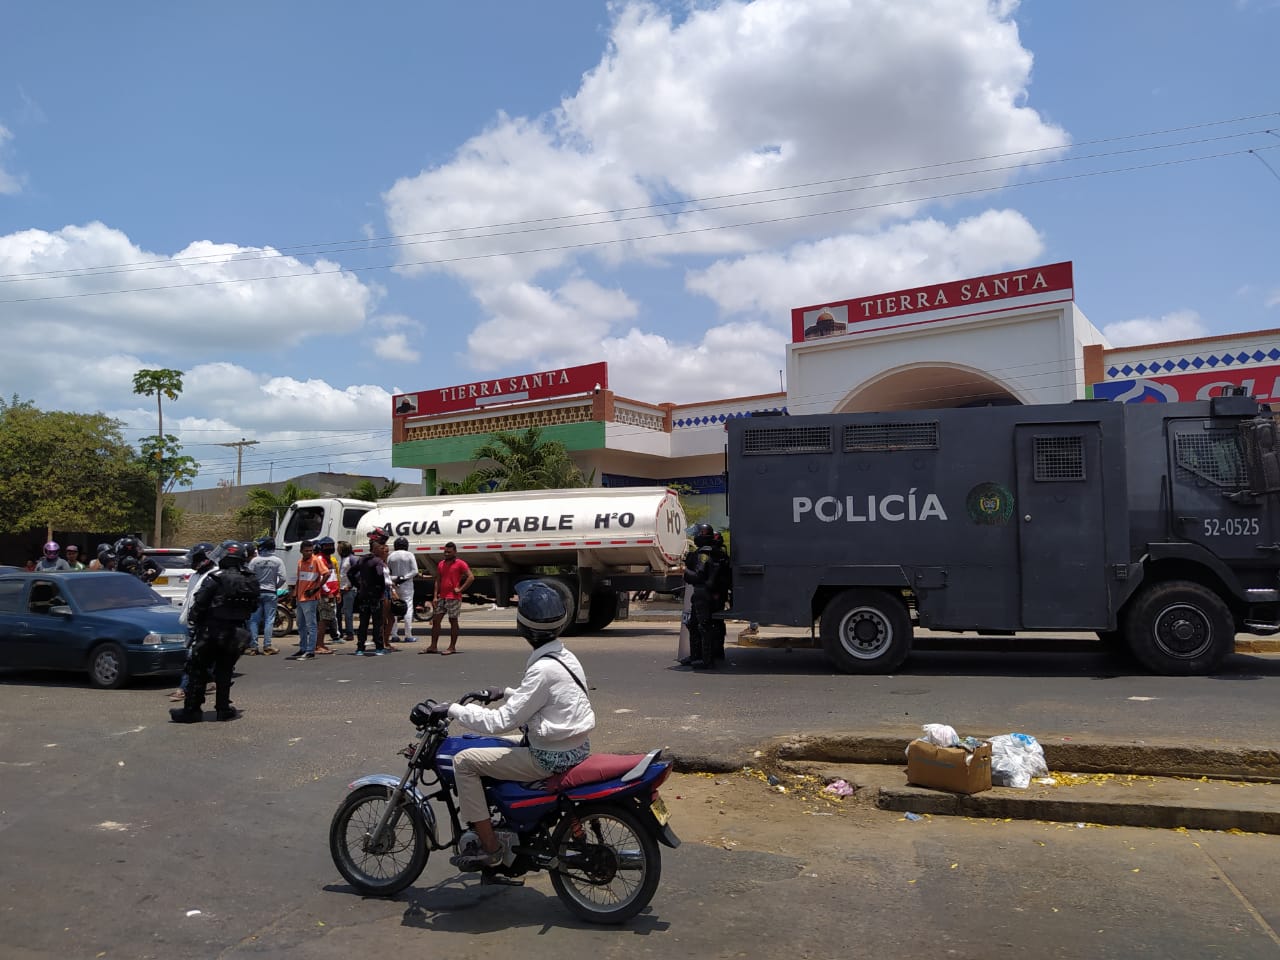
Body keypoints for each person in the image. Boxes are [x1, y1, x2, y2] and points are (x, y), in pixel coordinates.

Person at [427, 579, 594, 869]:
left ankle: (490, 849)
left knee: (465, 761)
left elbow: (502, 721)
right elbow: (543, 700)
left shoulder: (542, 669)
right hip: (572, 747)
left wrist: (453, 709)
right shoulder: (564, 656)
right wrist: (505, 692)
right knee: (493, 748)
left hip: (548, 755)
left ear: (523, 626)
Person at [169, 541, 259, 723]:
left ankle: (192, 710)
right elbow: (254, 606)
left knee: (197, 669)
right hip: (236, 632)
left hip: (211, 631)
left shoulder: (215, 577)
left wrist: (195, 621)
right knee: (225, 671)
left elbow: (199, 603)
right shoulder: (250, 578)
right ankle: (223, 709)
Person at [678, 523, 732, 669]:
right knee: (697, 624)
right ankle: (701, 655)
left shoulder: (703, 554)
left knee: (703, 626)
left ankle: (706, 659)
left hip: (703, 594)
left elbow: (699, 576)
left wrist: (683, 571)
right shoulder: (716, 552)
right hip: (713, 594)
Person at [169, 542, 216, 703]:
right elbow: (189, 598)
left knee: (192, 657)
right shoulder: (196, 575)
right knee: (200, 657)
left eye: (196, 559)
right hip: (193, 622)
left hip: (207, 623)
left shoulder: (214, 576)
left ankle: (183, 689)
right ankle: (209, 681)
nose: (193, 562)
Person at [421, 541, 475, 655]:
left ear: (455, 552)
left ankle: (452, 647)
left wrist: (460, 589)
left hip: (454, 597)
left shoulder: (460, 563)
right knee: (436, 621)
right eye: (445, 551)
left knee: (453, 621)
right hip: (442, 596)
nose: (446, 554)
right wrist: (435, 596)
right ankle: (433, 646)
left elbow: (470, 577)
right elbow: (438, 580)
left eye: (449, 552)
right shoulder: (441, 564)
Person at [350, 531, 391, 655]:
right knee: (377, 622)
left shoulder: (362, 560)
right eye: (381, 547)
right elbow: (380, 575)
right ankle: (379, 648)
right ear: (376, 549)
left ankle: (360, 648)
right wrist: (382, 588)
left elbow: (350, 573)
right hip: (376, 596)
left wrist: (358, 585)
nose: (383, 549)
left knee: (363, 623)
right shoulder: (377, 561)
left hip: (363, 595)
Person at [287, 539, 329, 661]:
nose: (309, 553)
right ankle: (303, 647)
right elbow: (299, 580)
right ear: (301, 551)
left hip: (311, 598)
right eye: (306, 551)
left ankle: (310, 650)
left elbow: (326, 574)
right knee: (300, 624)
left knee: (311, 624)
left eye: (311, 550)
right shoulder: (300, 562)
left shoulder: (316, 561)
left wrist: (316, 589)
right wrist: (294, 596)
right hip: (301, 597)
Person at [246, 537, 286, 655]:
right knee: (269, 620)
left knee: (254, 620)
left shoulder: (254, 561)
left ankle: (253, 647)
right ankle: (267, 646)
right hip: (271, 592)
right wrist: (275, 586)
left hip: (257, 593)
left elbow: (249, 577)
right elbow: (283, 578)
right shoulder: (277, 561)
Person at [386, 536, 419, 644]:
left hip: (394, 585)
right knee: (408, 608)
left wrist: (395, 580)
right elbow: (415, 571)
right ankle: (408, 635)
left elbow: (387, 572)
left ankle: (394, 635)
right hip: (407, 585)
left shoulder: (391, 556)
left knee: (394, 609)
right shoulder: (409, 555)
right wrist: (403, 578)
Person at [314, 537, 341, 654]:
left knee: (328, 619)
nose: (330, 547)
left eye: (331, 545)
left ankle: (321, 644)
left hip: (332, 593)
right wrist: (328, 591)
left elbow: (334, 576)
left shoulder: (330, 559)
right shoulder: (320, 559)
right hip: (325, 594)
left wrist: (337, 592)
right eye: (327, 545)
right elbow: (320, 578)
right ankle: (319, 645)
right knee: (323, 620)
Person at [337, 540, 357, 643]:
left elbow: (357, 573)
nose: (337, 550)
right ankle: (339, 632)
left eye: (339, 548)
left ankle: (350, 633)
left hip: (349, 589)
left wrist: (350, 586)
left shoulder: (352, 559)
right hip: (340, 589)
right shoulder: (342, 559)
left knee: (348, 612)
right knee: (338, 612)